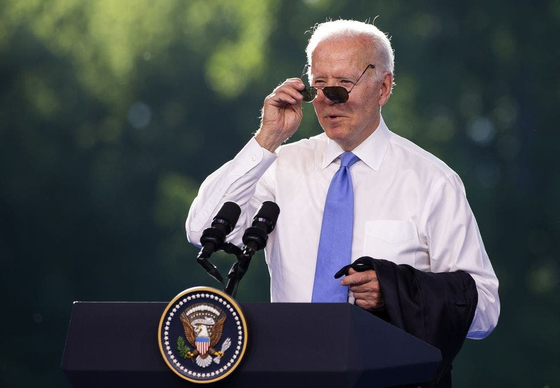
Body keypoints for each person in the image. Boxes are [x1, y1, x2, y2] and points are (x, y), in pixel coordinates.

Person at [186, 19, 499, 386]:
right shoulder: (279, 168)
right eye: (319, 85)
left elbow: (484, 311)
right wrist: (268, 137)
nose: (329, 99)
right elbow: (200, 230)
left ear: (383, 88)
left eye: (344, 85)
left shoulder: (432, 181)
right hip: (291, 374)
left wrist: (397, 293)